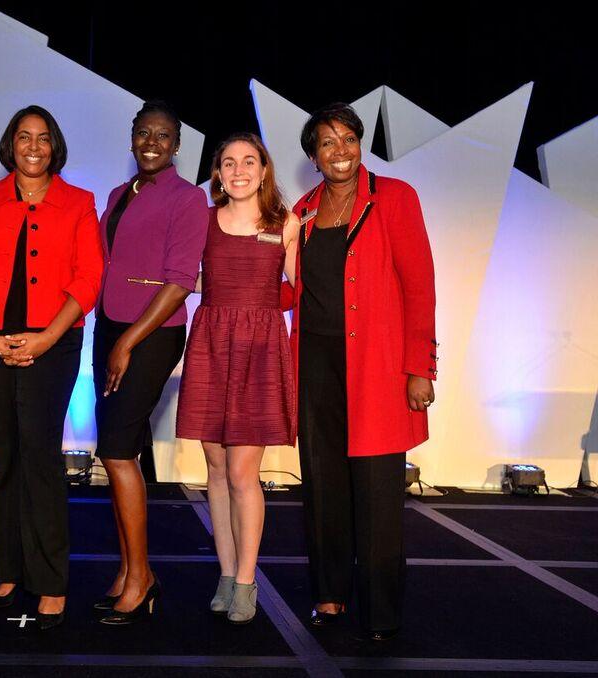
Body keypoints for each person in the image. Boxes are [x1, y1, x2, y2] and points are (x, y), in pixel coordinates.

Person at [290, 103, 436, 641]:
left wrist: (420, 367)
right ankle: (329, 595)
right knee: (322, 484)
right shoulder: (302, 210)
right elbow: (289, 287)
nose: (340, 151)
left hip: (376, 366)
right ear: (313, 156)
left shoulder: (394, 197)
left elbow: (420, 287)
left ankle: (380, 612)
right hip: (315, 365)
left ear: (360, 145)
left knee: (376, 493)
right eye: (327, 142)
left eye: (348, 139)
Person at [0, 105, 104, 630]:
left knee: (40, 459)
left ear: (54, 145)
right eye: (24, 137)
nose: (33, 147)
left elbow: (89, 277)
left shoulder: (79, 202)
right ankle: (10, 570)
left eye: (42, 138)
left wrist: (45, 339)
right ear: (10, 144)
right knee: (8, 457)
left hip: (53, 344)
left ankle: (51, 581)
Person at [176, 133, 300, 624]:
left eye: (249, 161)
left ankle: (247, 581)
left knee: (243, 472)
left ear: (264, 170)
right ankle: (226, 574)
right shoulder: (203, 220)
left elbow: (301, 288)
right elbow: (191, 276)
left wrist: (261, 306)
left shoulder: (285, 223)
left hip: (260, 350)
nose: (239, 170)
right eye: (229, 163)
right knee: (215, 467)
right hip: (211, 343)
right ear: (218, 173)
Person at [92, 100, 208, 625]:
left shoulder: (188, 198)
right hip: (110, 326)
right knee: (121, 452)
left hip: (152, 334)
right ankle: (127, 571)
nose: (152, 142)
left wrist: (127, 343)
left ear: (177, 144)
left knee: (117, 452)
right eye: (144, 133)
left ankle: (141, 579)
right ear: (132, 137)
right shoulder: (120, 193)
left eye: (163, 135)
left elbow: (181, 281)